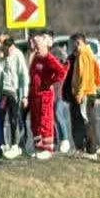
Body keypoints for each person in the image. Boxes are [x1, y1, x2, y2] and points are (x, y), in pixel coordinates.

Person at [28, 32, 67, 160]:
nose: (36, 49)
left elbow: (61, 72)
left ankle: (48, 148)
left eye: (38, 46)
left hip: (45, 95)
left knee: (45, 121)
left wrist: (50, 81)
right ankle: (39, 147)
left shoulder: (49, 58)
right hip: (34, 94)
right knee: (36, 122)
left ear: (44, 46)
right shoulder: (36, 58)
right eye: (35, 46)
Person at [65, 33, 100, 160]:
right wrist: (97, 84)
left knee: (87, 122)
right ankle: (83, 149)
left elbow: (84, 77)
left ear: (78, 42)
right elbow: (97, 73)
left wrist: (80, 93)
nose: (70, 46)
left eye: (72, 44)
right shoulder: (87, 53)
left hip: (85, 93)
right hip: (88, 91)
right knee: (85, 121)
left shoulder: (83, 54)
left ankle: (92, 151)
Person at [0, 34, 28, 154]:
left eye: (10, 49)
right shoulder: (1, 56)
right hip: (2, 93)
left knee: (14, 118)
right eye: (6, 49)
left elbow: (23, 76)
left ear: (13, 47)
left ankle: (16, 144)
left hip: (13, 92)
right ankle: (2, 144)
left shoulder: (18, 55)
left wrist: (24, 95)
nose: (8, 51)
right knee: (0, 118)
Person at [51, 42, 72, 154]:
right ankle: (58, 141)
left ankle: (65, 139)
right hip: (53, 95)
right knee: (54, 118)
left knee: (59, 116)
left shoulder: (64, 66)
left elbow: (66, 66)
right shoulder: (52, 67)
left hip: (61, 95)